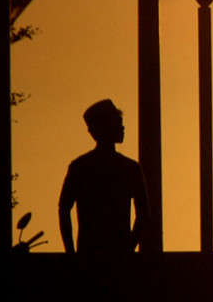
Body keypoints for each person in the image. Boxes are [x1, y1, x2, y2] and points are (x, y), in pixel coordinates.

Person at [59, 99, 150, 253]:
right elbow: (143, 212)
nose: (123, 127)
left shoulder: (80, 167)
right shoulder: (129, 168)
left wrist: (70, 254)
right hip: (114, 255)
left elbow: (64, 209)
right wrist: (129, 248)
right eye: (118, 122)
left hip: (89, 255)